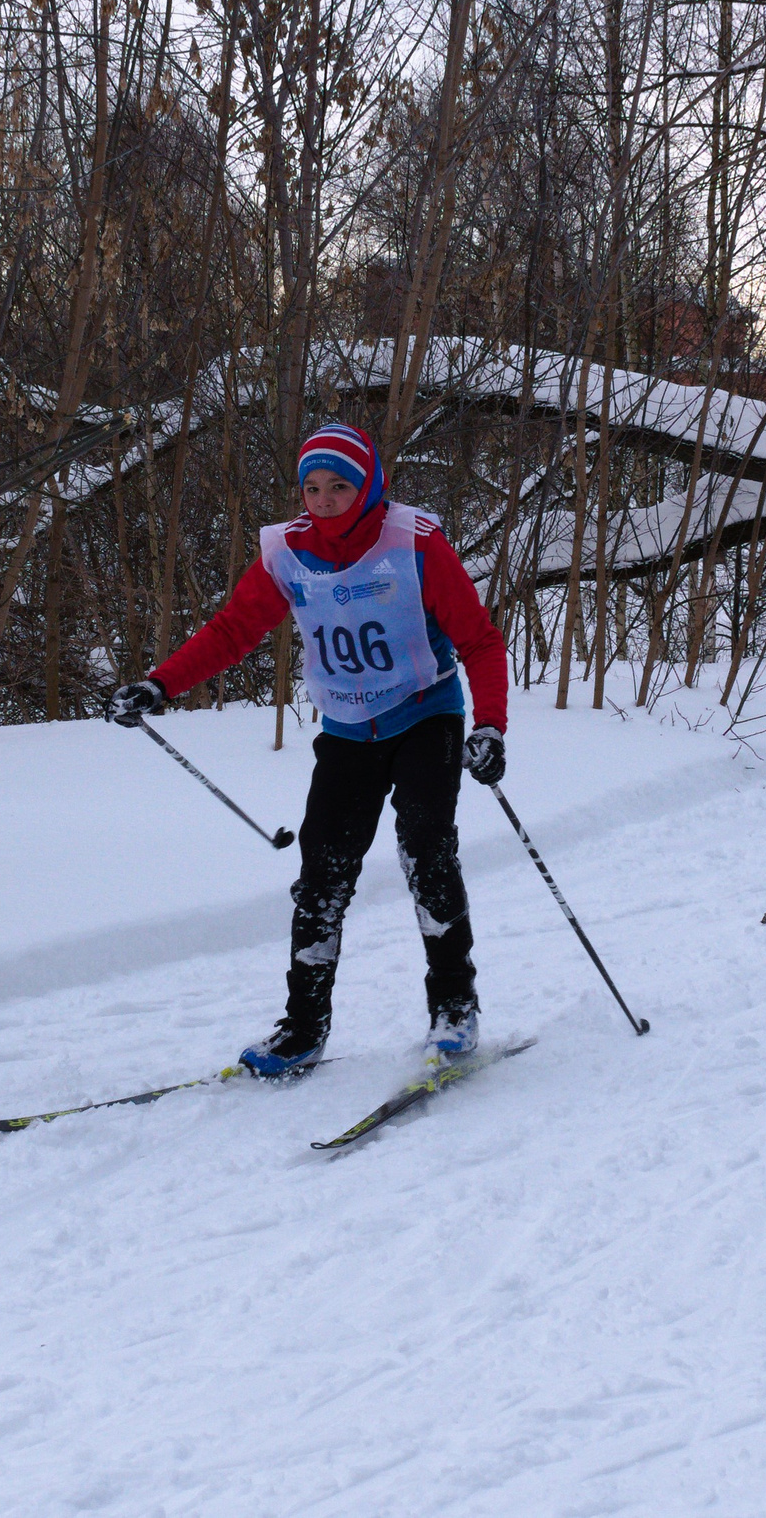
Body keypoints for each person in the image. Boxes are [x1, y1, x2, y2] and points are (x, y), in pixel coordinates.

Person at [107, 422, 509, 1076]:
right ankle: (303, 1028)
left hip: (425, 715)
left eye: (339, 487)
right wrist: (159, 685)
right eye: (311, 487)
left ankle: (454, 1009)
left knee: (427, 851)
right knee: (322, 877)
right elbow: (233, 630)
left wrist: (489, 726)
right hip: (348, 731)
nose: (323, 500)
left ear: (369, 484)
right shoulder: (288, 553)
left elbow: (481, 643)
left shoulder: (416, 545)